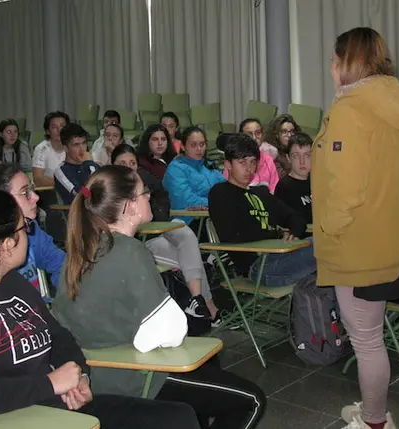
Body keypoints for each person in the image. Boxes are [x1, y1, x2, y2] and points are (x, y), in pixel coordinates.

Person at [0, 188, 200, 428]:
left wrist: (79, 378)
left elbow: (59, 337)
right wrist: (50, 383)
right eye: (25, 227)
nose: (30, 233)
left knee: (179, 417)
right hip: (10, 418)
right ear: (7, 244)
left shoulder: (13, 283)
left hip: (53, 406)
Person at [50, 165, 266, 429]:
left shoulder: (79, 252)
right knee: (252, 400)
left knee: (208, 363)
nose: (149, 196)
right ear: (129, 206)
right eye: (144, 192)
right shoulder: (130, 251)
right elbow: (172, 331)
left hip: (93, 374)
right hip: (135, 377)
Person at [311, 27, 399, 429]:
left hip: (357, 243)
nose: (331, 66)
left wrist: (329, 228)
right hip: (394, 238)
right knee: (372, 334)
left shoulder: (350, 109)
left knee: (366, 340)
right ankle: (373, 410)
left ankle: (374, 422)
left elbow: (347, 187)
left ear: (348, 61)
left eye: (334, 59)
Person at [112, 144, 221, 324]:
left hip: (161, 230)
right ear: (112, 166)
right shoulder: (111, 194)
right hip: (143, 242)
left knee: (184, 232)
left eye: (132, 163)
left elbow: (163, 207)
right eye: (122, 163)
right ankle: (207, 304)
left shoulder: (146, 181)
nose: (128, 168)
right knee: (190, 256)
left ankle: (197, 300)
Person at [209, 134, 313, 287]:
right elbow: (234, 234)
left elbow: (296, 218)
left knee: (325, 244)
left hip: (280, 257)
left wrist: (294, 234)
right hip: (258, 268)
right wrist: (278, 233)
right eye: (242, 162)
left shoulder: (261, 193)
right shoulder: (220, 193)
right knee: (324, 248)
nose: (249, 168)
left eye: (253, 162)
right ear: (228, 165)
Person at [0, 163, 65, 295]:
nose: (36, 197)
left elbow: (61, 265)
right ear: (1, 201)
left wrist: (71, 291)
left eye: (32, 189)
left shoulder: (31, 230)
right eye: (25, 192)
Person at [162, 126, 225, 226]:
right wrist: (216, 202)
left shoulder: (208, 166)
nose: (199, 149)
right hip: (189, 221)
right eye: (193, 145)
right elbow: (185, 200)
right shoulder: (176, 168)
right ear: (183, 146)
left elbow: (225, 190)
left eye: (202, 144)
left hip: (213, 215)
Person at [229, 119, 279, 193]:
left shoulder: (268, 160)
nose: (254, 138)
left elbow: (275, 189)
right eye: (249, 134)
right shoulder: (233, 160)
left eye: (258, 133)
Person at [53, 124, 99, 204]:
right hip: (78, 210)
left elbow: (105, 187)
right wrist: (88, 163)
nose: (82, 149)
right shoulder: (62, 170)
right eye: (76, 145)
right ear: (65, 148)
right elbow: (84, 195)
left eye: (84, 143)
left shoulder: (91, 165)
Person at [274, 133, 312, 226]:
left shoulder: (318, 182)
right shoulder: (284, 187)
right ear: (288, 158)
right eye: (296, 156)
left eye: (307, 155)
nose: (302, 161)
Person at [32, 111, 70, 187]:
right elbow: (38, 179)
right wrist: (67, 184)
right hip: (50, 190)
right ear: (48, 131)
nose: (59, 130)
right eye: (54, 127)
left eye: (62, 126)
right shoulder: (42, 149)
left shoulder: (73, 145)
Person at [262, 114, 300, 179]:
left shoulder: (297, 149)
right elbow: (283, 179)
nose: (289, 135)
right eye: (284, 132)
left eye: (292, 131)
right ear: (276, 134)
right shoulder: (272, 153)